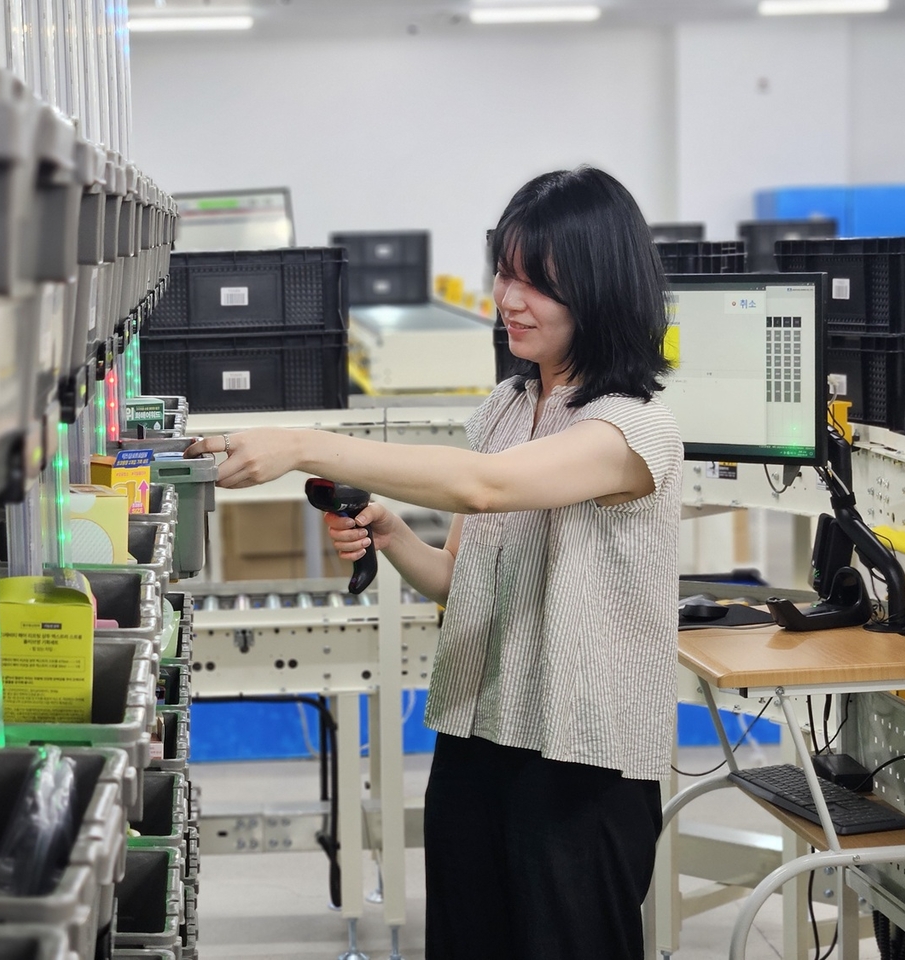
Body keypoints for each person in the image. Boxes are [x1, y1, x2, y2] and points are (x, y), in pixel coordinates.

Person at [184, 166, 683, 960]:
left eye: (538, 283)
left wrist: (302, 443)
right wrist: (392, 536)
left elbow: (486, 490)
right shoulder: (506, 406)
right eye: (505, 273)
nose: (509, 299)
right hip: (480, 737)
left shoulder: (631, 429)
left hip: (583, 757)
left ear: (599, 289)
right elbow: (463, 578)